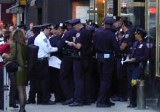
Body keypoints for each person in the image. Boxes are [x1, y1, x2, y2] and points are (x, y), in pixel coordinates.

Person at [93, 16, 119, 107]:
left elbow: (94, 45)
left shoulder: (98, 33)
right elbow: (117, 48)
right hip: (108, 58)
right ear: (112, 25)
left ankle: (106, 99)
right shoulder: (112, 35)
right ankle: (101, 101)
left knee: (103, 79)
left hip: (99, 57)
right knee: (106, 80)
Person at [2, 29, 28, 112]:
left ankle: (21, 109)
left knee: (20, 90)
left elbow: (11, 57)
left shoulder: (14, 44)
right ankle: (23, 108)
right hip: (24, 68)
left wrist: (5, 55)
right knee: (23, 89)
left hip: (18, 69)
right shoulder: (25, 44)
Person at [34, 23, 58, 105]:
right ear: (44, 29)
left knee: (42, 81)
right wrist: (58, 48)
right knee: (44, 81)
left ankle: (41, 99)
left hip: (42, 61)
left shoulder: (43, 37)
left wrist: (54, 48)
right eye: (49, 29)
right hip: (42, 61)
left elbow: (49, 48)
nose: (50, 31)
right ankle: (45, 99)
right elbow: (48, 50)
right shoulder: (42, 38)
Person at [127, 28, 149, 108]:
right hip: (132, 65)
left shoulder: (144, 44)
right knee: (131, 83)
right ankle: (132, 101)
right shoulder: (135, 43)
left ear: (140, 34)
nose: (135, 35)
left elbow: (146, 56)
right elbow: (131, 52)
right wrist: (129, 58)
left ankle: (135, 102)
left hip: (139, 66)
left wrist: (136, 59)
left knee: (134, 82)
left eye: (136, 34)